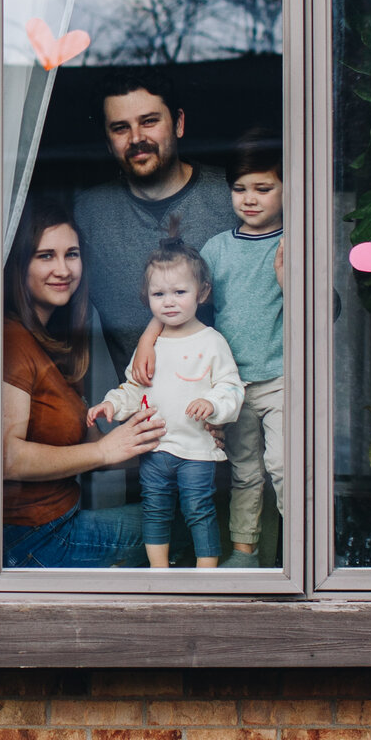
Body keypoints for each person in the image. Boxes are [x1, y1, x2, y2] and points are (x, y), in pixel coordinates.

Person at [133, 136, 289, 568]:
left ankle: (304, 552)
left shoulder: (292, 244)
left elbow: (323, 311)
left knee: (282, 465)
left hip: (278, 379)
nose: (250, 199)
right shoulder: (219, 247)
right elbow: (180, 297)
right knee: (245, 472)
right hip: (228, 385)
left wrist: (288, 280)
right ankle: (244, 552)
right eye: (241, 189)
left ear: (287, 188)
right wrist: (149, 337)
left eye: (263, 188)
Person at [0, 203, 155, 569]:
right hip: (34, 539)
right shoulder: (11, 341)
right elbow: (6, 457)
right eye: (45, 256)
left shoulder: (49, 341)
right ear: (20, 266)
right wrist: (104, 452)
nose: (63, 269)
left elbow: (88, 449)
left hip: (55, 526)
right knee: (176, 529)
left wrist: (171, 442)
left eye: (71, 254)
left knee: (182, 514)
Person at [91, 240, 242, 568]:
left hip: (196, 451)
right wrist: (111, 405)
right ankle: (160, 571)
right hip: (156, 450)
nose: (169, 302)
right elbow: (134, 387)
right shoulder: (151, 345)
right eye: (159, 295)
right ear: (147, 298)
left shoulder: (212, 341)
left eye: (179, 292)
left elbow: (231, 388)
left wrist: (212, 403)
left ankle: (206, 574)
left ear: (201, 293)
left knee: (199, 509)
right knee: (155, 509)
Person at [72, 72, 235, 359]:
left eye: (149, 121)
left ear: (179, 124)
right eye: (121, 128)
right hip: (138, 400)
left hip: (228, 399)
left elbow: (316, 305)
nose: (137, 138)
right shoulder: (88, 215)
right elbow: (51, 316)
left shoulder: (234, 199)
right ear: (108, 142)